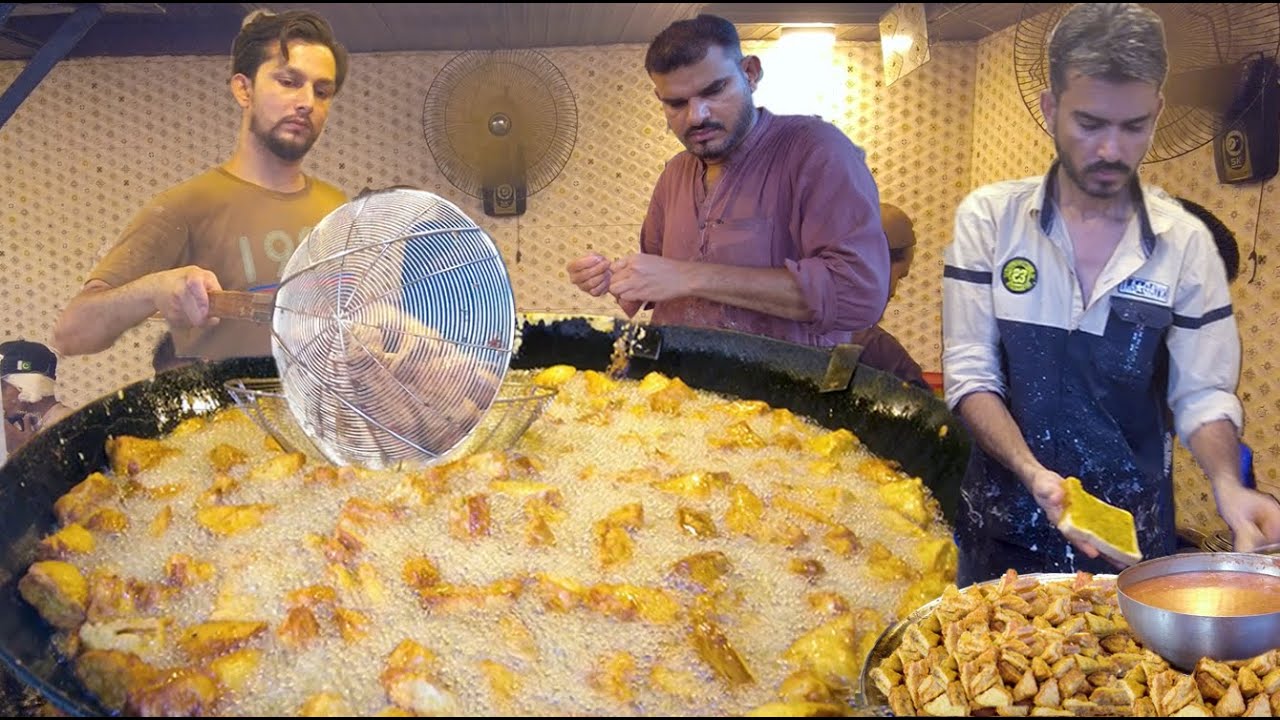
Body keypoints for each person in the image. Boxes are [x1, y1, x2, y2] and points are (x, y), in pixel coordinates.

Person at [941, 2, 1280, 586]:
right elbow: (970, 371)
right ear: (1050, 109)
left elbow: (1201, 395)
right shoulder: (991, 222)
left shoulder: (1186, 245)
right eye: (1090, 124)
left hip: (1131, 538)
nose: (1110, 152)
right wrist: (1032, 471)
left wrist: (1228, 483)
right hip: (1002, 532)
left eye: (1133, 127)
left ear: (1157, 113)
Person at [566, 14, 889, 348]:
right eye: (676, 103)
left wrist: (690, 277)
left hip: (787, 392)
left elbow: (857, 294)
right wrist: (612, 275)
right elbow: (659, 276)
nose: (697, 115)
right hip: (677, 387)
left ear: (749, 73)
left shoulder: (815, 149)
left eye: (714, 90)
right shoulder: (674, 174)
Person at [53, 9, 349, 364]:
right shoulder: (186, 207)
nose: (306, 103)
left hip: (327, 418)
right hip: (229, 416)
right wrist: (154, 289)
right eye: (288, 82)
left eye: (322, 91)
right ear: (244, 89)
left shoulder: (340, 210)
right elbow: (71, 333)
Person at [849, 202, 929, 391]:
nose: (893, 292)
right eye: (899, 276)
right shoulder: (880, 350)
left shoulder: (793, 323)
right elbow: (928, 415)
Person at [1, 340, 74, 464]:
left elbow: (68, 478)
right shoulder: (29, 427)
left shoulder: (68, 425)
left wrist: (21, 448)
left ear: (25, 386)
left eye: (2, 387)